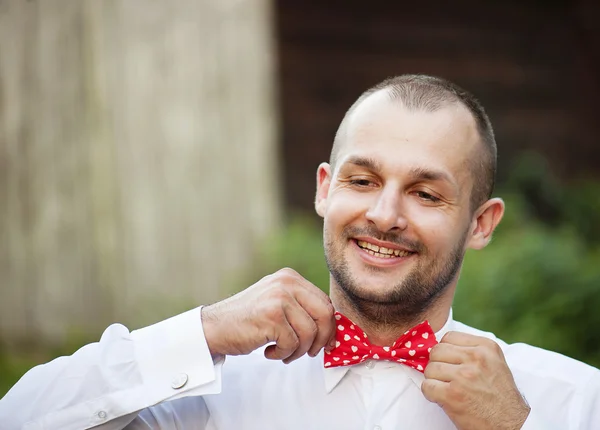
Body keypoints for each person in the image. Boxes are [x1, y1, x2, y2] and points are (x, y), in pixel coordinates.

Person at [1, 74, 599, 430]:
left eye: (425, 192)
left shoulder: (567, 401)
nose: (385, 215)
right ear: (323, 189)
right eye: (362, 181)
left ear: (480, 223)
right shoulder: (208, 393)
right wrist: (200, 333)